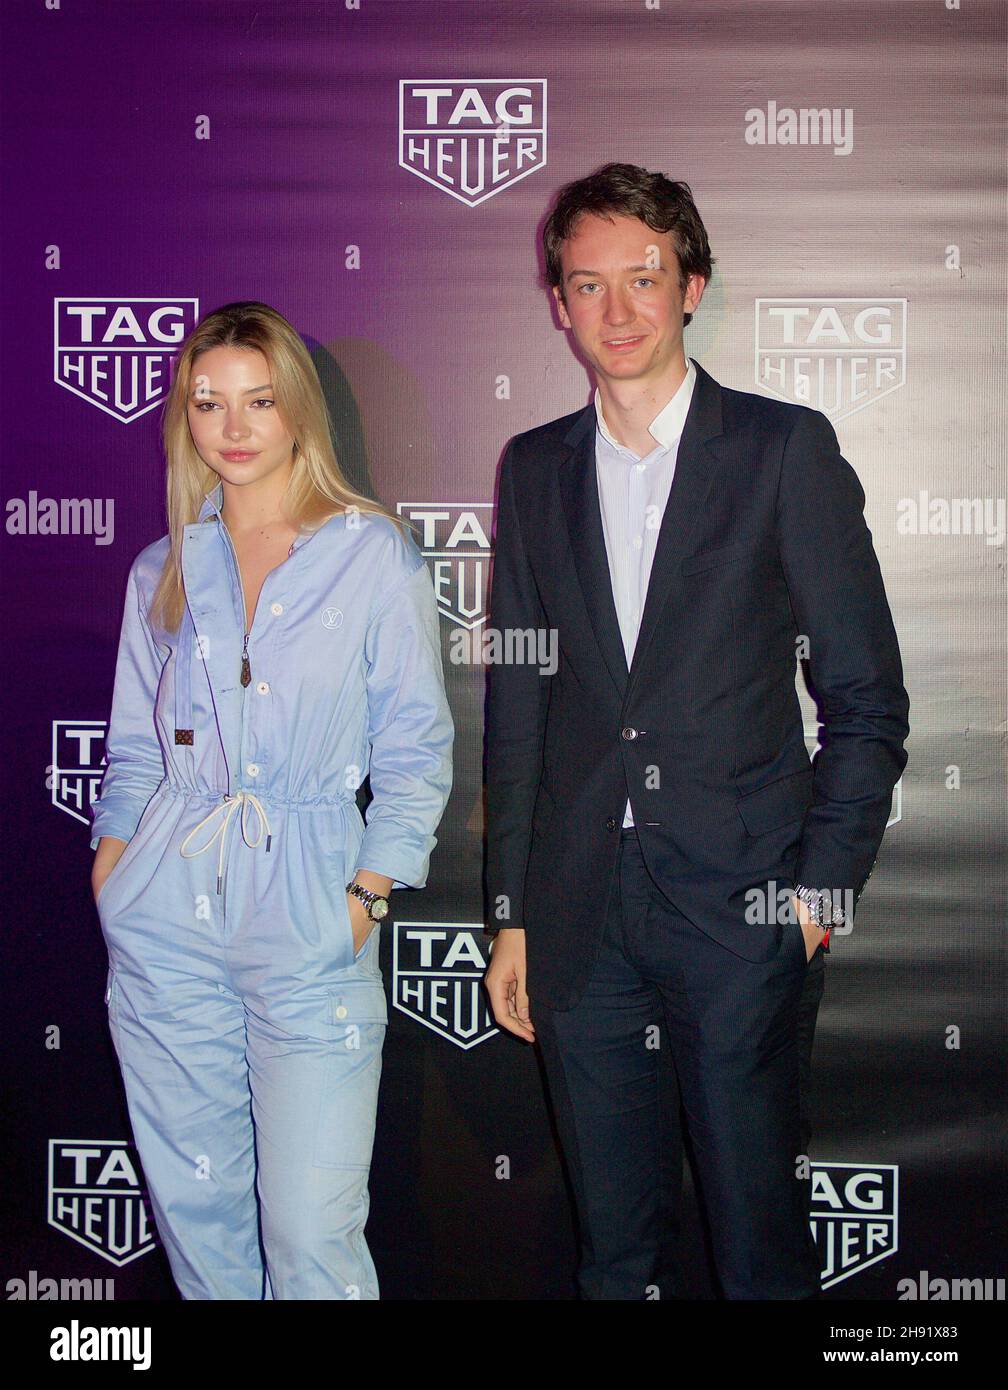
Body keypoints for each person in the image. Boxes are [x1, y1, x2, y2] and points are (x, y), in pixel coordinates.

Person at [483, 163, 909, 1299]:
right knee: (613, 1254)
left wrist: (818, 900)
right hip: (579, 916)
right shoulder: (532, 470)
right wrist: (513, 912)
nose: (616, 311)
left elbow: (867, 703)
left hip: (742, 910)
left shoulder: (781, 450)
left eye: (643, 278)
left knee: (757, 1246)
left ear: (692, 287)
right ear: (557, 303)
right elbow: (520, 705)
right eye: (588, 284)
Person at [90, 301, 454, 1300]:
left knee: (310, 1228)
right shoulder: (162, 569)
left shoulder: (371, 552)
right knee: (200, 1220)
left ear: (298, 411)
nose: (234, 424)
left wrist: (369, 895)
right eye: (209, 402)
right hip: (168, 909)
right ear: (187, 420)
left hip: (308, 907)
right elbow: (130, 750)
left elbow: (416, 747)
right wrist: (115, 867)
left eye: (259, 399)